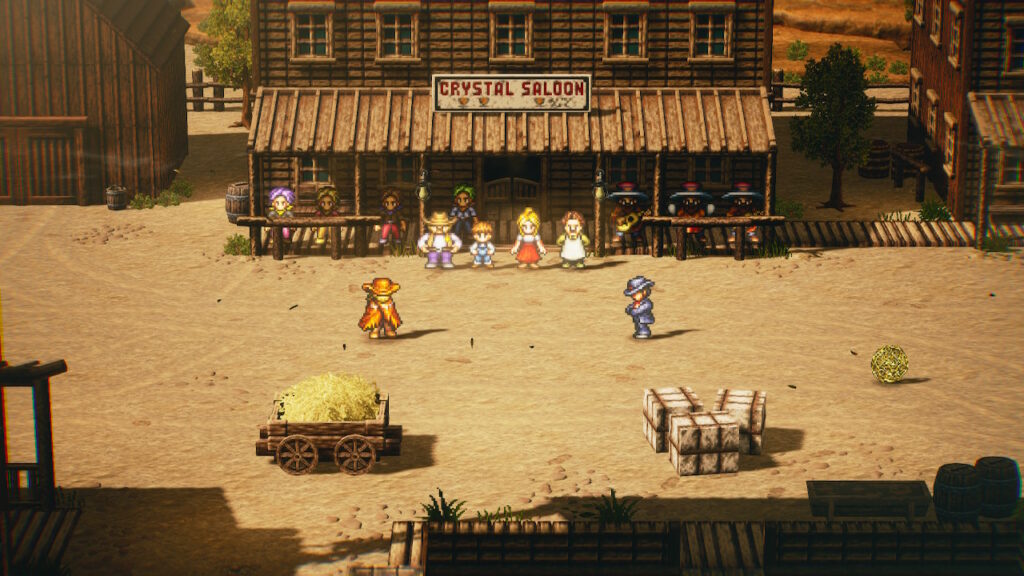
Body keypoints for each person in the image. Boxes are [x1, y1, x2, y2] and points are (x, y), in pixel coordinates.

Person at [607, 183, 650, 252]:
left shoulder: (636, 207)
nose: (627, 201)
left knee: (637, 230)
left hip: (634, 227)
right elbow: (614, 216)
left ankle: (637, 236)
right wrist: (618, 219)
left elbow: (640, 214)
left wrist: (643, 215)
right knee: (619, 231)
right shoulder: (619, 208)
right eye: (625, 199)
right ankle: (618, 236)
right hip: (622, 227)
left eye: (630, 199)